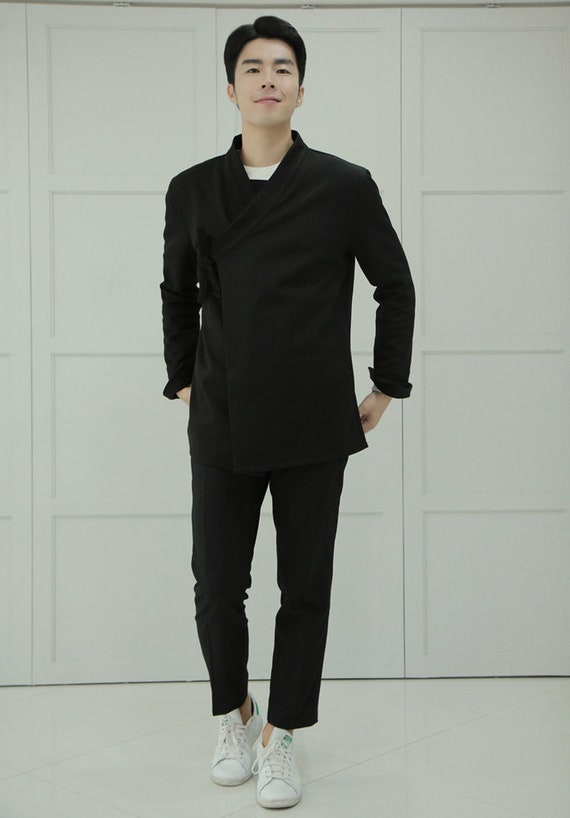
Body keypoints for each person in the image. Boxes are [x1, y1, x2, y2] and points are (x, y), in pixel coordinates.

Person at [160, 15, 414, 810]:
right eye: (252, 67)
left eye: (282, 68)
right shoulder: (193, 188)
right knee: (216, 585)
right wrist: (183, 379)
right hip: (223, 414)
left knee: (304, 588)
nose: (267, 79)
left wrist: (385, 385)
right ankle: (235, 715)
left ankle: (283, 736)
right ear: (230, 88)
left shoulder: (344, 184)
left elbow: (395, 285)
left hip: (312, 417)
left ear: (301, 89)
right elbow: (176, 292)